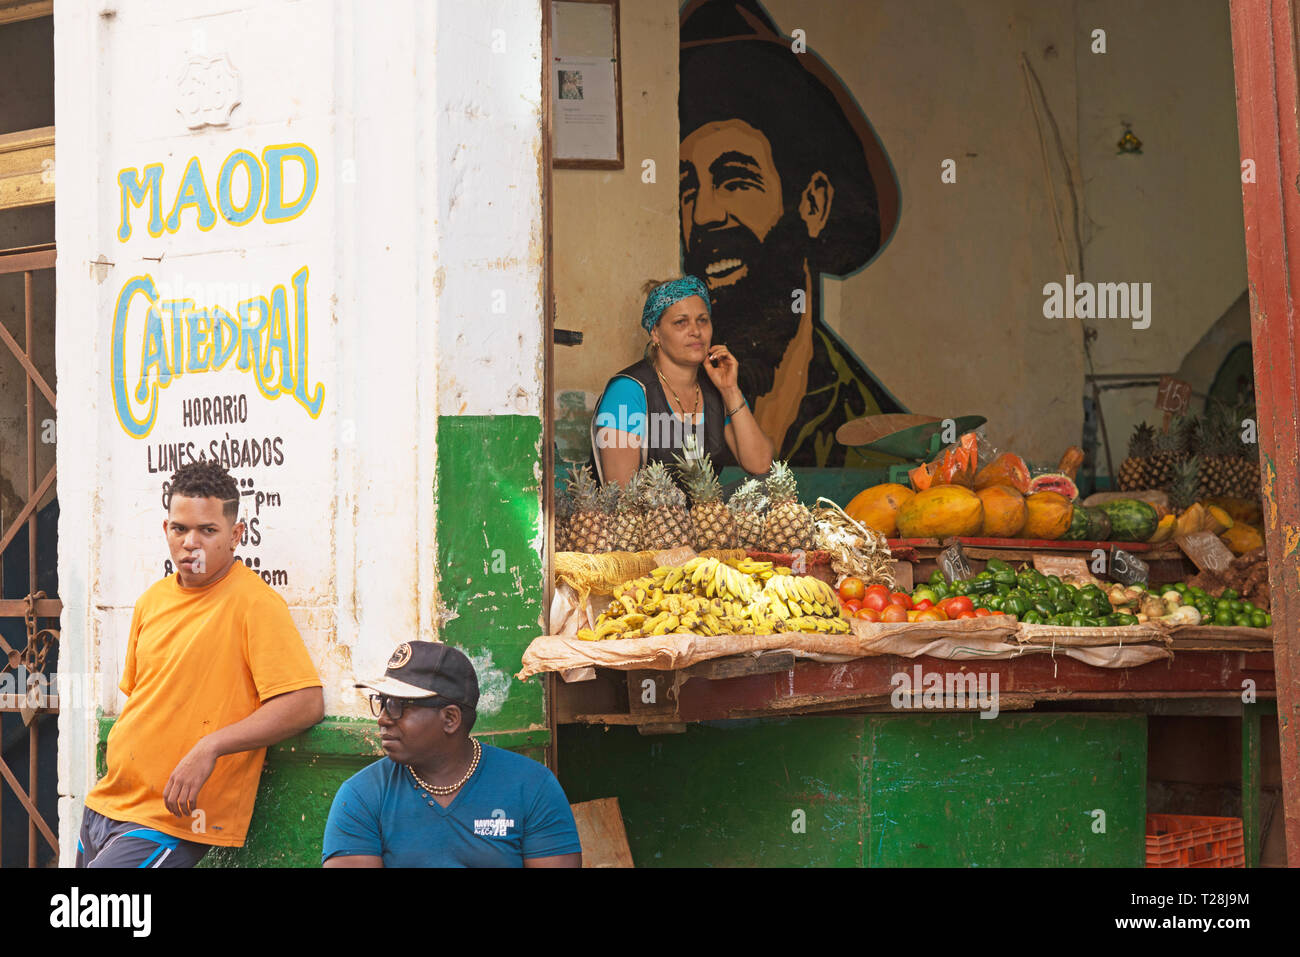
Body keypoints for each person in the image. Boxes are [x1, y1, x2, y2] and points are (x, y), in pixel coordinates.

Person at [679, 0, 908, 467]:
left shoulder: (873, 441)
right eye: (688, 189)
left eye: (736, 179)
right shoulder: (667, 411)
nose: (703, 214)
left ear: (812, 204)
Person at [77, 460, 324, 867]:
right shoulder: (151, 601)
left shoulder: (255, 604)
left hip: (169, 819)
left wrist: (210, 747)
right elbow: (142, 703)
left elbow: (305, 703)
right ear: (166, 530)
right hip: (106, 804)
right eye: (180, 529)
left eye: (207, 530)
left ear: (235, 535)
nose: (191, 542)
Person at [321, 640, 583, 868]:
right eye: (382, 702)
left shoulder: (532, 786)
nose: (383, 719)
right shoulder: (362, 796)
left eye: (398, 705)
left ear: (450, 719)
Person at [590, 275, 773, 488]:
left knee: (768, 487)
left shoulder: (716, 390)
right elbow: (623, 495)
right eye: (681, 322)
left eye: (702, 320)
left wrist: (730, 389)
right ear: (656, 333)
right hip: (645, 517)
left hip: (705, 516)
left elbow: (760, 466)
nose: (696, 331)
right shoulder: (628, 391)